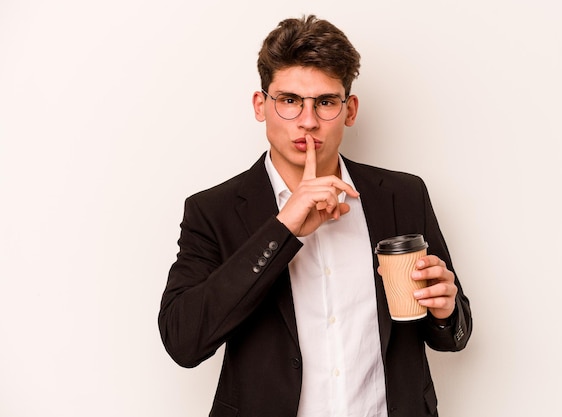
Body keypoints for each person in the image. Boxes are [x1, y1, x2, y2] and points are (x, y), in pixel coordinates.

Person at [158, 15, 472, 417]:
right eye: (289, 101)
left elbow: (453, 333)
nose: (308, 121)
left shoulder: (403, 195)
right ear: (261, 105)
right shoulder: (213, 210)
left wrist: (447, 311)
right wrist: (283, 228)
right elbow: (183, 341)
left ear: (349, 109)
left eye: (325, 102)